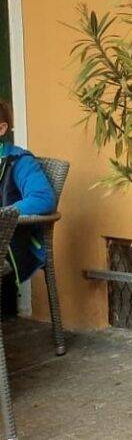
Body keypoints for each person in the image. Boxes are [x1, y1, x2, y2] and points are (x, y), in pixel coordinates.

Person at [0, 100, 58, 315]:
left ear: (2, 129)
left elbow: (43, 198)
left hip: (11, 244)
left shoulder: (19, 161)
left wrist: (4, 215)